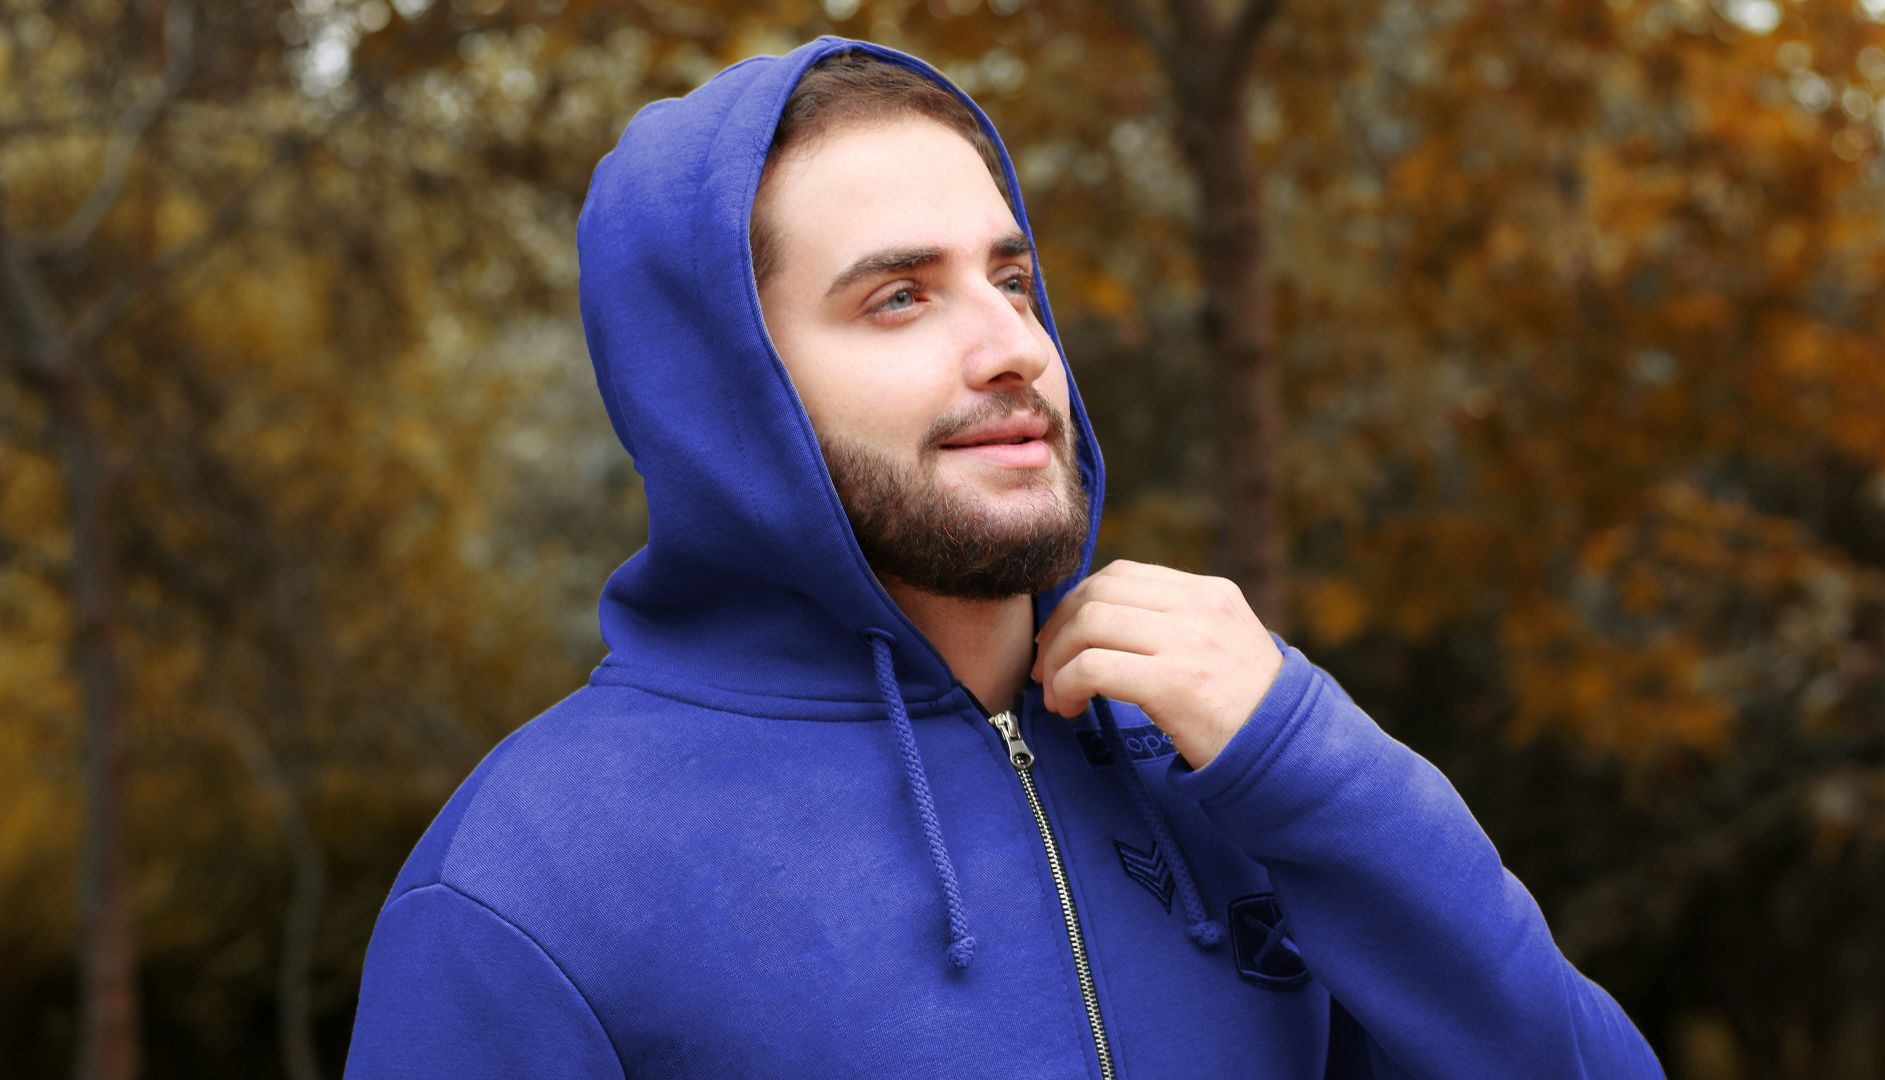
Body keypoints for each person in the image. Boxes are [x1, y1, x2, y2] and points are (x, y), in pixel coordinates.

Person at [343, 35, 1664, 1079]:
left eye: (1014, 280)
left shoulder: (1213, 751)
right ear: (728, 392)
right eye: (899, 297)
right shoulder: (529, 882)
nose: (1014, 348)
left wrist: (1315, 766)